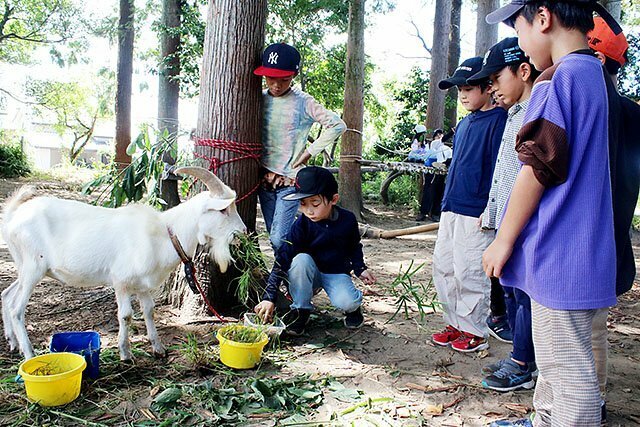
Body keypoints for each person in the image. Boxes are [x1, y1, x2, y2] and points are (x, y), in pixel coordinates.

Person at [482, 1, 620, 426]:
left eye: (519, 31)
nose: (522, 46)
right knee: (557, 357)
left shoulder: (558, 80)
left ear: (543, 19)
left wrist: (503, 240)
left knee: (567, 368)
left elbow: (538, 168)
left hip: (560, 253)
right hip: (583, 250)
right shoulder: (593, 75)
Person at [468, 37, 540, 392]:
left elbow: (530, 176)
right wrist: (491, 211)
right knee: (509, 291)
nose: (492, 87)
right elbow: (503, 173)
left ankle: (524, 364)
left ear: (523, 71)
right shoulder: (512, 114)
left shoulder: (536, 113)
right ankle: (520, 353)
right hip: (504, 221)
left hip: (523, 227)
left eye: (496, 78)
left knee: (522, 294)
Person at [430, 56, 507, 353]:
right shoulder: (463, 125)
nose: (462, 93)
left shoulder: (500, 120)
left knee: (469, 271)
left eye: (469, 87)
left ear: (489, 87)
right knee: (444, 267)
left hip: (478, 211)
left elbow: (501, 171)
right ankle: (455, 323)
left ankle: (474, 329)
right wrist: (445, 202)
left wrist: (491, 208)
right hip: (452, 206)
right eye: (458, 88)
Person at [587, 16, 640, 422]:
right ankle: (593, 400)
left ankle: (590, 404)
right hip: (613, 245)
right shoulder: (630, 112)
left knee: (585, 333)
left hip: (588, 244)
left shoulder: (590, 105)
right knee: (593, 330)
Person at [254, 166, 376, 336]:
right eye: (303, 204)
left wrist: (360, 268)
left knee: (347, 301)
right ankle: (301, 311)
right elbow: (283, 258)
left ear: (333, 199)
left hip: (336, 273)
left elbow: (354, 246)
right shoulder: (301, 225)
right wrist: (269, 297)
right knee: (300, 260)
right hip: (308, 275)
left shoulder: (348, 220)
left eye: (315, 203)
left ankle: (353, 310)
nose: (309, 210)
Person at [253, 43, 346, 251]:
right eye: (270, 79)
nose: (276, 85)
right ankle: (293, 279)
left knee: (279, 239)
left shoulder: (303, 102)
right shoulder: (258, 99)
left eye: (284, 80)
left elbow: (338, 125)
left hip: (290, 180)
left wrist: (309, 153)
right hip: (264, 181)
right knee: (276, 239)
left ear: (293, 76)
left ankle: (304, 271)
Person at [416, 129, 451, 222]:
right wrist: (451, 132)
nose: (439, 136)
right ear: (434, 137)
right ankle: (423, 213)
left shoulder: (448, 149)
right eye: (437, 135)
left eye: (441, 134)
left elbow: (450, 159)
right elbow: (442, 140)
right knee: (428, 192)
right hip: (431, 172)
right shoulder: (434, 145)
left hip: (442, 173)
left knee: (439, 193)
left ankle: (435, 214)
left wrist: (445, 164)